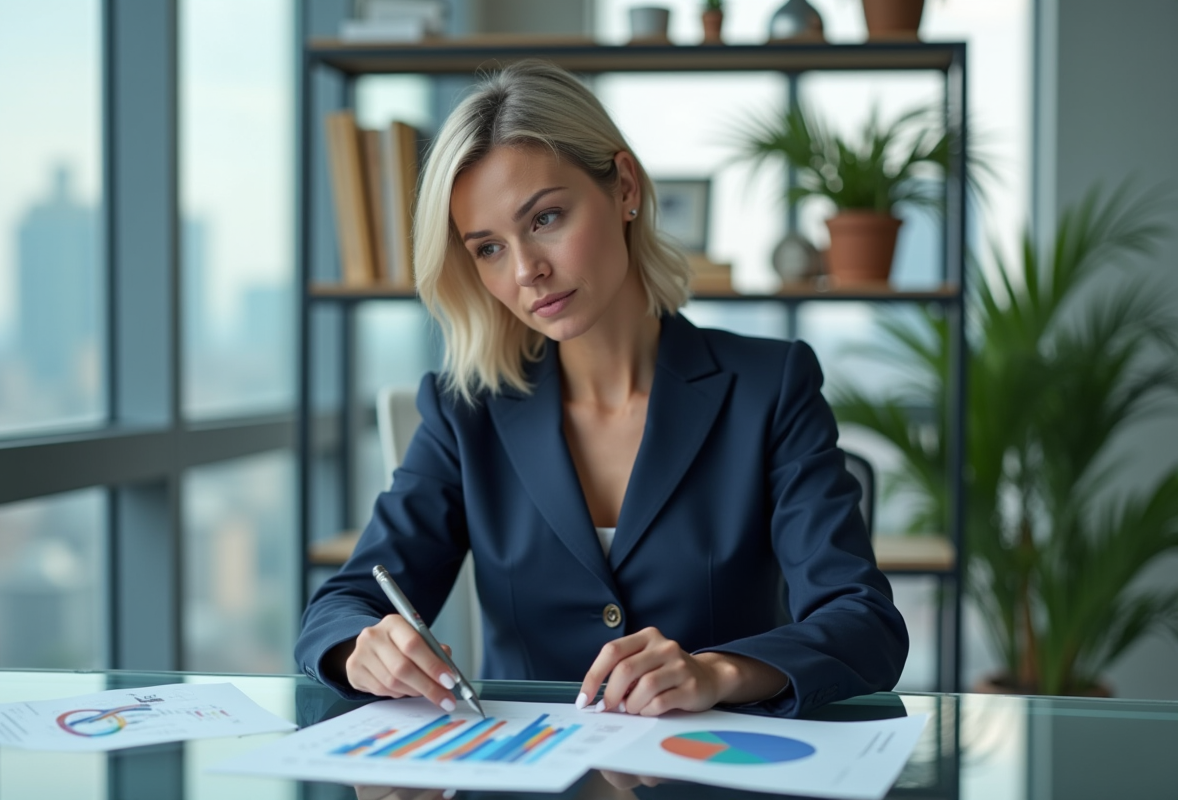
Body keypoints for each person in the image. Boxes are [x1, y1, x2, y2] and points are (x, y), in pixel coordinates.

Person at [296, 60, 908, 719]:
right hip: (523, 778)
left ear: (623, 187)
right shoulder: (465, 410)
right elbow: (341, 606)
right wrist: (364, 647)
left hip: (713, 772)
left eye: (545, 218)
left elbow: (864, 621)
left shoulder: (769, 386)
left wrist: (718, 671)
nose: (528, 270)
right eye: (488, 249)